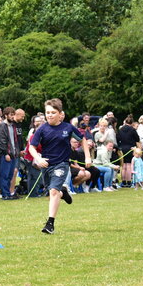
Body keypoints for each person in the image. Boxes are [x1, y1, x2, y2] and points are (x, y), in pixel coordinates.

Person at [29, 98, 91, 235]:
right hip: (46, 165)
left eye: (52, 112)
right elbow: (31, 147)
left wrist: (87, 156)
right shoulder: (42, 129)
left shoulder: (68, 128)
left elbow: (83, 140)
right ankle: (64, 193)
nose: (49, 115)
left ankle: (50, 223)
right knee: (52, 192)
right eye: (47, 112)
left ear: (59, 113)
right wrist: (38, 158)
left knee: (53, 192)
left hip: (62, 164)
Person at [116, 115, 140, 187]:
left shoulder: (120, 129)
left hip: (122, 148)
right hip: (130, 148)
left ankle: (123, 181)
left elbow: (117, 139)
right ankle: (129, 181)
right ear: (132, 123)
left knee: (124, 166)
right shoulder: (132, 130)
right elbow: (137, 139)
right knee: (129, 165)